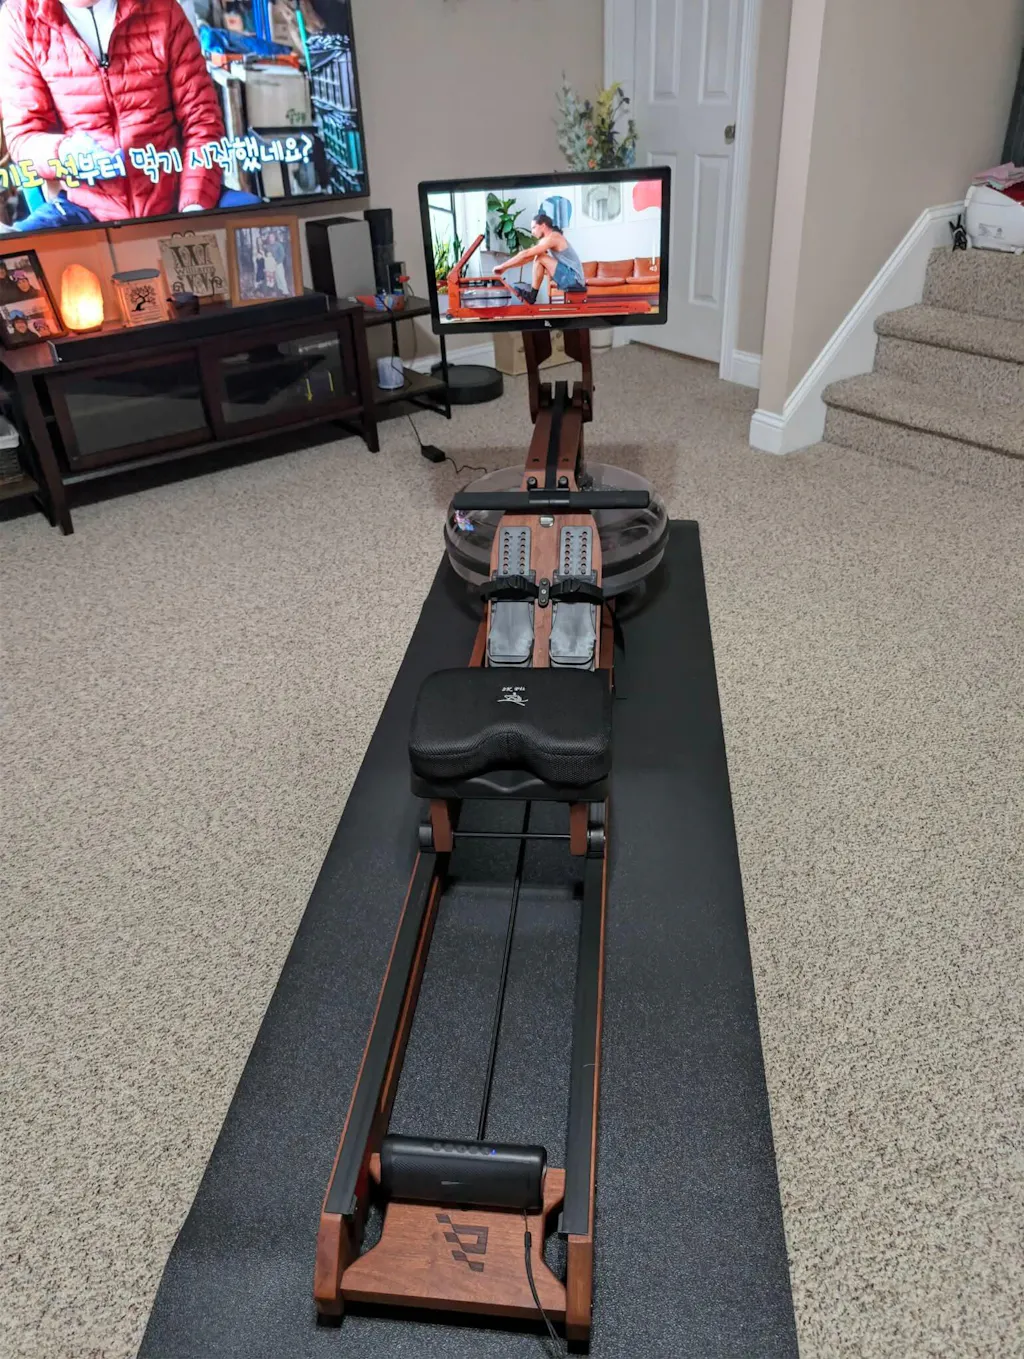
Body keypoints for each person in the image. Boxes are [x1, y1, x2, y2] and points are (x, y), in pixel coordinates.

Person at [0, 0, 258, 230]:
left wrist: (193, 207)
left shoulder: (163, 10)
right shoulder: (21, 19)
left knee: (261, 228)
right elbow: (24, 136)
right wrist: (65, 153)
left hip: (176, 196)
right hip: (85, 207)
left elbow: (201, 121)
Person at [493, 211, 586, 304]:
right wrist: (506, 268)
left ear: (543, 226)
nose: (532, 232)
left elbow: (526, 254)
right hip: (570, 278)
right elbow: (527, 258)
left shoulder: (553, 237)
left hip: (574, 279)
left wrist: (503, 266)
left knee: (540, 257)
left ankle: (532, 296)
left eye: (534, 227)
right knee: (539, 257)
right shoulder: (548, 239)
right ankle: (532, 296)